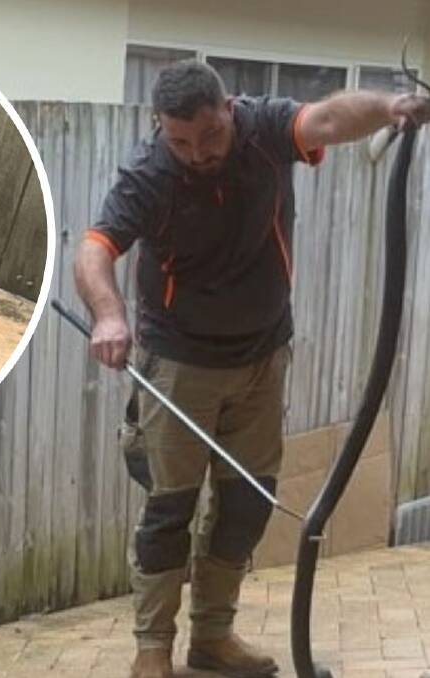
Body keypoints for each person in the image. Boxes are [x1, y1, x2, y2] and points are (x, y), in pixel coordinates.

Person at [74, 61, 429, 678]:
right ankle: (152, 650)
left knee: (245, 505)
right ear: (162, 129)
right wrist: (107, 315)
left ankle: (212, 638)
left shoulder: (263, 130)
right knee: (169, 510)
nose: (197, 153)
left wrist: (390, 108)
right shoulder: (153, 171)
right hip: (178, 364)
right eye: (180, 140)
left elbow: (324, 119)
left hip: (263, 356)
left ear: (227, 111)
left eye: (209, 136)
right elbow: (95, 247)